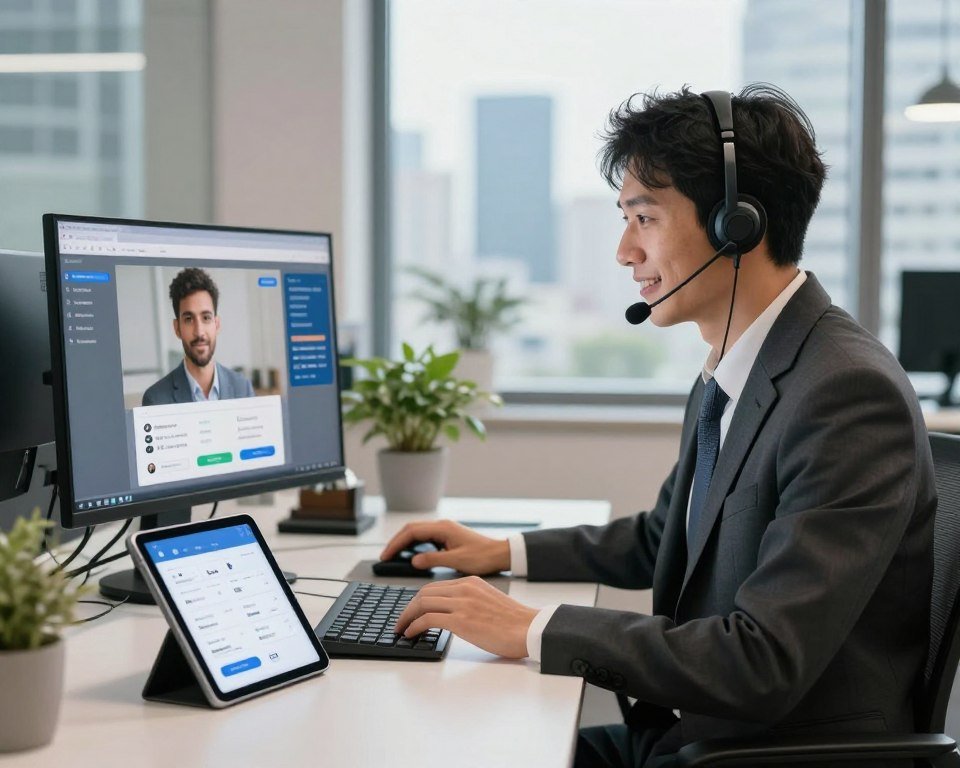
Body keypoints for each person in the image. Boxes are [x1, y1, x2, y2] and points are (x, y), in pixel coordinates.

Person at [381, 85, 935, 768]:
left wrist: (532, 628)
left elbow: (762, 661)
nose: (622, 251)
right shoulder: (736, 367)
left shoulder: (845, 393)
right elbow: (664, 535)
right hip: (697, 739)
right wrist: (503, 551)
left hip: (765, 754)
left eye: (643, 218)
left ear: (738, 225)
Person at [142, 268, 255, 406]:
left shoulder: (243, 389)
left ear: (217, 324)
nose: (199, 332)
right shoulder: (156, 399)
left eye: (206, 317)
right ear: (177, 328)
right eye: (189, 319)